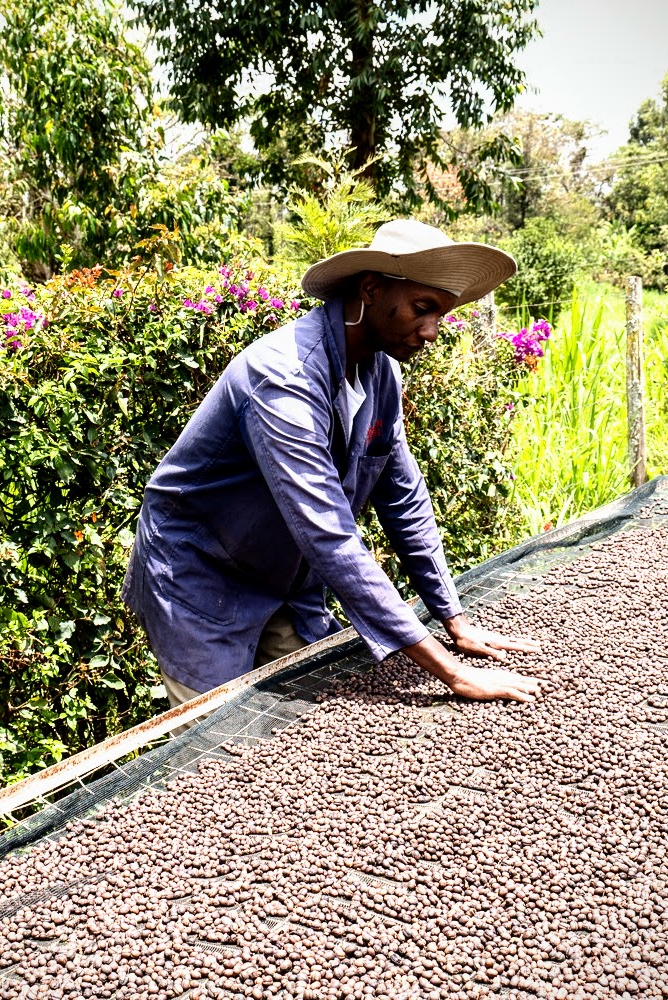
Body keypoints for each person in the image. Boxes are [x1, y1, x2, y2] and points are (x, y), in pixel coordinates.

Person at [122, 219, 542, 708]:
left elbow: (404, 500)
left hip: (282, 574)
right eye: (422, 309)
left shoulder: (380, 373)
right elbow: (328, 532)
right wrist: (454, 674)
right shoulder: (284, 378)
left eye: (440, 316)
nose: (430, 331)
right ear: (370, 289)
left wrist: (455, 621)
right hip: (202, 578)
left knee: (309, 706)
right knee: (215, 739)